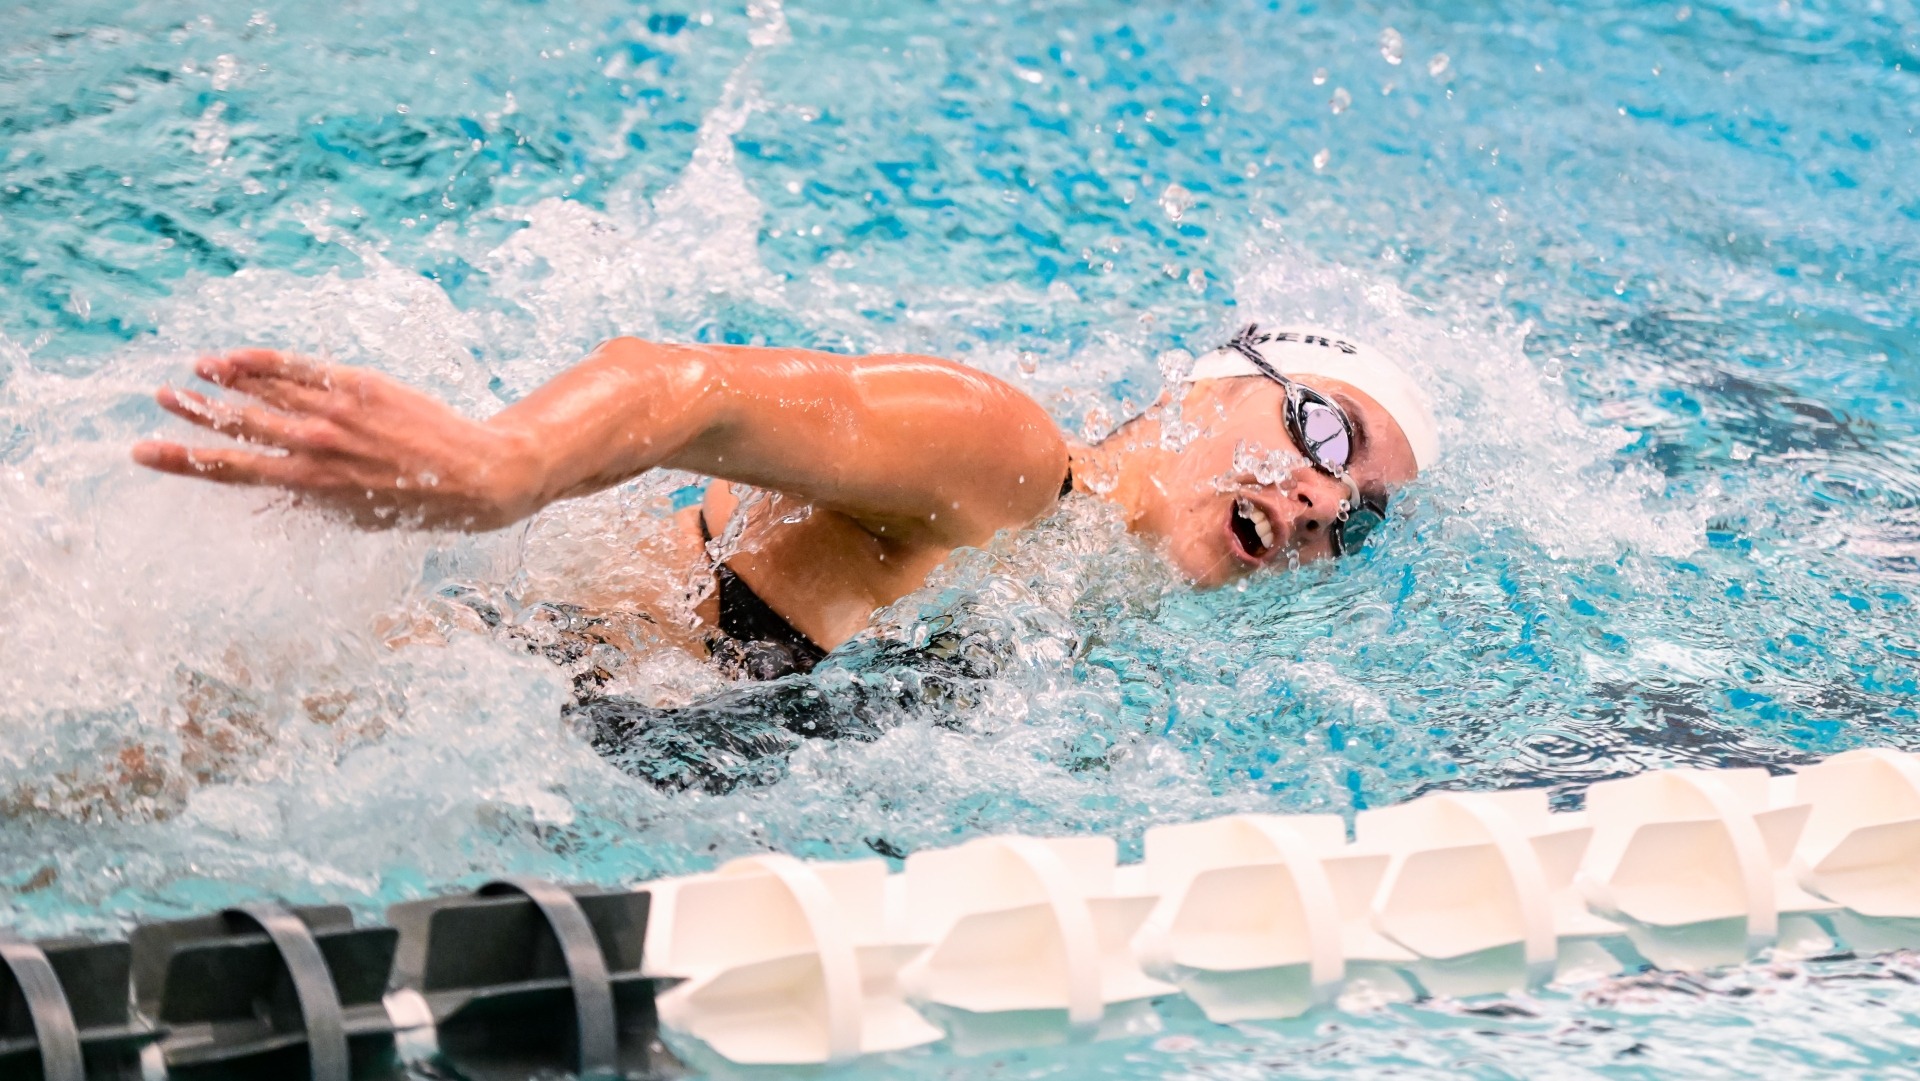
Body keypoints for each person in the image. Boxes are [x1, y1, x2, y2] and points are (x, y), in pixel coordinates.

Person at [133, 324, 1437, 689]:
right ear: (1215, 385)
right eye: (1325, 429)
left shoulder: (1067, 607)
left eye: (1360, 516)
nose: (1325, 495)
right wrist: (499, 466)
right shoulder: (1007, 460)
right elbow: (685, 385)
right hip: (368, 707)